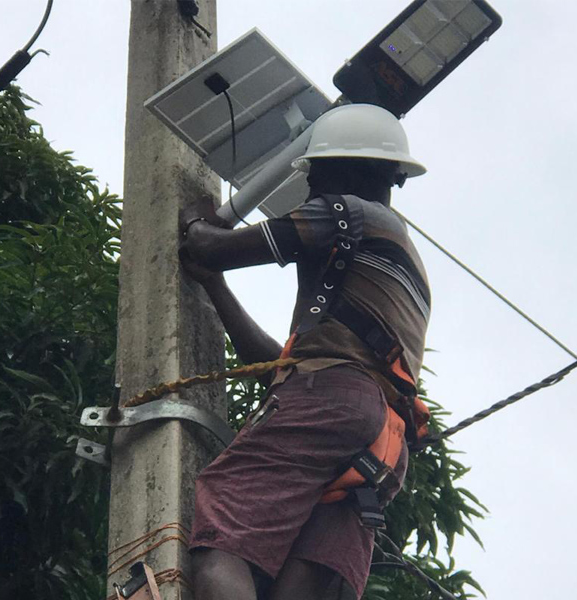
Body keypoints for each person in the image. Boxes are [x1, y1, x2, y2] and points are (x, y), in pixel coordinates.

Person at [178, 103, 431, 600]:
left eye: (316, 174)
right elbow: (280, 365)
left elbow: (210, 245)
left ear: (347, 169)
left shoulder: (347, 212)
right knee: (301, 588)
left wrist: (193, 221)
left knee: (224, 540)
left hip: (331, 403)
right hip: (381, 443)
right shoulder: (406, 269)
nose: (311, 189)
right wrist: (215, 288)